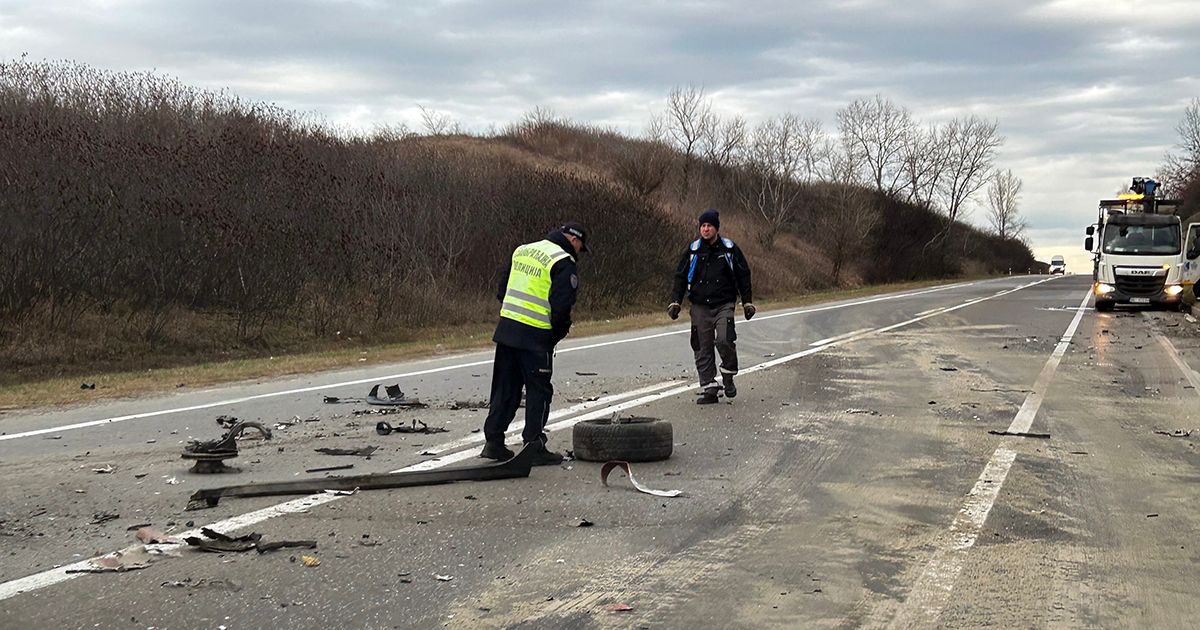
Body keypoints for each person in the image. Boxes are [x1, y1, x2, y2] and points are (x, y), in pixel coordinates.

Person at [479, 222, 587, 464]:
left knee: (505, 388)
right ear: (574, 240)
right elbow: (562, 306)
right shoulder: (563, 262)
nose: (579, 253)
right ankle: (533, 444)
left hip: (507, 330)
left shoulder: (523, 250)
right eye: (581, 247)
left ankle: (493, 441)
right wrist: (555, 335)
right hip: (536, 336)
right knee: (539, 392)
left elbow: (502, 291)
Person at [667, 209, 754, 404]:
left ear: (716, 228)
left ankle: (728, 373)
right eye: (703, 226)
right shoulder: (694, 249)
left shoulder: (729, 249)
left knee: (724, 339)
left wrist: (747, 301)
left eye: (709, 226)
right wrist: (676, 301)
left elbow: (743, 274)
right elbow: (680, 276)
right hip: (699, 306)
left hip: (724, 303)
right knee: (701, 347)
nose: (705, 229)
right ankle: (709, 387)